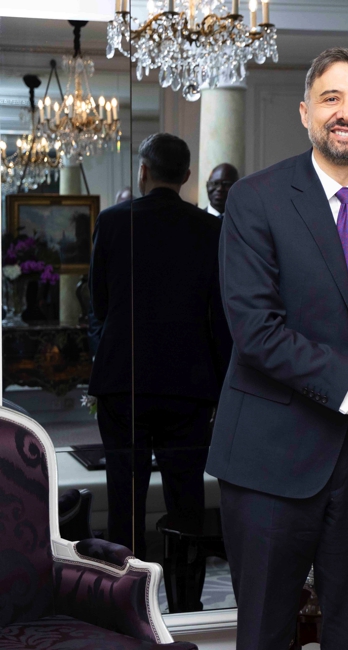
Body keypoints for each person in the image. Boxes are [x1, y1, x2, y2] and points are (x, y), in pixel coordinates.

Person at [205, 47, 348, 650]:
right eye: (332, 98)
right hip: (269, 460)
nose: (346, 113)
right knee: (264, 643)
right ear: (306, 112)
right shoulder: (255, 199)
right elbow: (257, 332)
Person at [89, 133, 232, 562]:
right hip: (188, 384)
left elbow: (98, 304)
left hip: (123, 380)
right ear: (187, 176)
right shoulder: (212, 229)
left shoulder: (113, 222)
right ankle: (186, 593)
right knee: (186, 501)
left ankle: (126, 591)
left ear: (143, 171)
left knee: (125, 498)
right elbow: (220, 315)